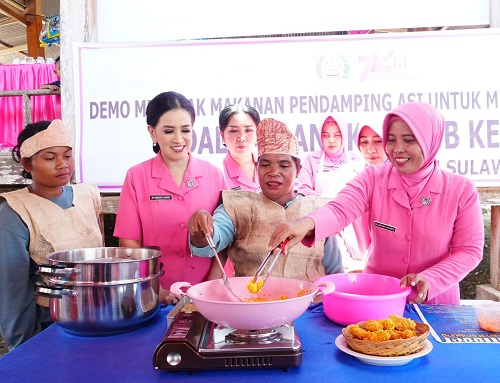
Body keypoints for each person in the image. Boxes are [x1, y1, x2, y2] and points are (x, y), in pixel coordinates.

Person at [268, 102, 484, 305]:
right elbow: (340, 209)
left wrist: (431, 279)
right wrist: (307, 224)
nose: (397, 149)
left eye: (409, 140)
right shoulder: (373, 178)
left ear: (430, 140)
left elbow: (469, 250)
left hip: (435, 305)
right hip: (379, 301)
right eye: (391, 139)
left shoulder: (460, 190)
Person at [187, 118, 343, 282]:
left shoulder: (318, 211)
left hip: (310, 305)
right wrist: (201, 230)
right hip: (252, 303)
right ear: (257, 168)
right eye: (265, 164)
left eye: (283, 165)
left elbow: (335, 272)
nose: (273, 172)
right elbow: (210, 244)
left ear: (298, 170)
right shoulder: (237, 206)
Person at [113, 91, 228, 305]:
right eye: (168, 131)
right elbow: (129, 243)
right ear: (153, 133)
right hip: (153, 297)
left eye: (185, 130)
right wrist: (156, 289)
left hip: (207, 296)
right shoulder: (137, 177)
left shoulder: (213, 175)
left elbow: (225, 239)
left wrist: (211, 287)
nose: (178, 139)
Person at [0, 119, 102, 351]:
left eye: (67, 156)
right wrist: (27, 349)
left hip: (100, 314)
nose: (62, 164)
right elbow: (12, 293)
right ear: (27, 164)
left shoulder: (86, 196)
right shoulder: (15, 211)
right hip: (51, 325)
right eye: (49, 157)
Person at [297, 114, 364, 271]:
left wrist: (344, 205)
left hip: (351, 220)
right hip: (321, 217)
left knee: (358, 264)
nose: (331, 140)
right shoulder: (311, 159)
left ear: (344, 136)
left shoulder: (355, 160)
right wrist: (329, 202)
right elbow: (303, 190)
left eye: (336, 135)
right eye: (326, 135)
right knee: (334, 265)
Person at [351, 123, 389, 257]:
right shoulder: (349, 173)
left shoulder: (401, 177)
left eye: (378, 141)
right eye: (364, 142)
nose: (370, 149)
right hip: (355, 260)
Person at [219, 104, 261, 192]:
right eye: (234, 131)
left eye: (248, 130)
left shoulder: (269, 165)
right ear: (222, 135)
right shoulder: (217, 173)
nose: (241, 138)